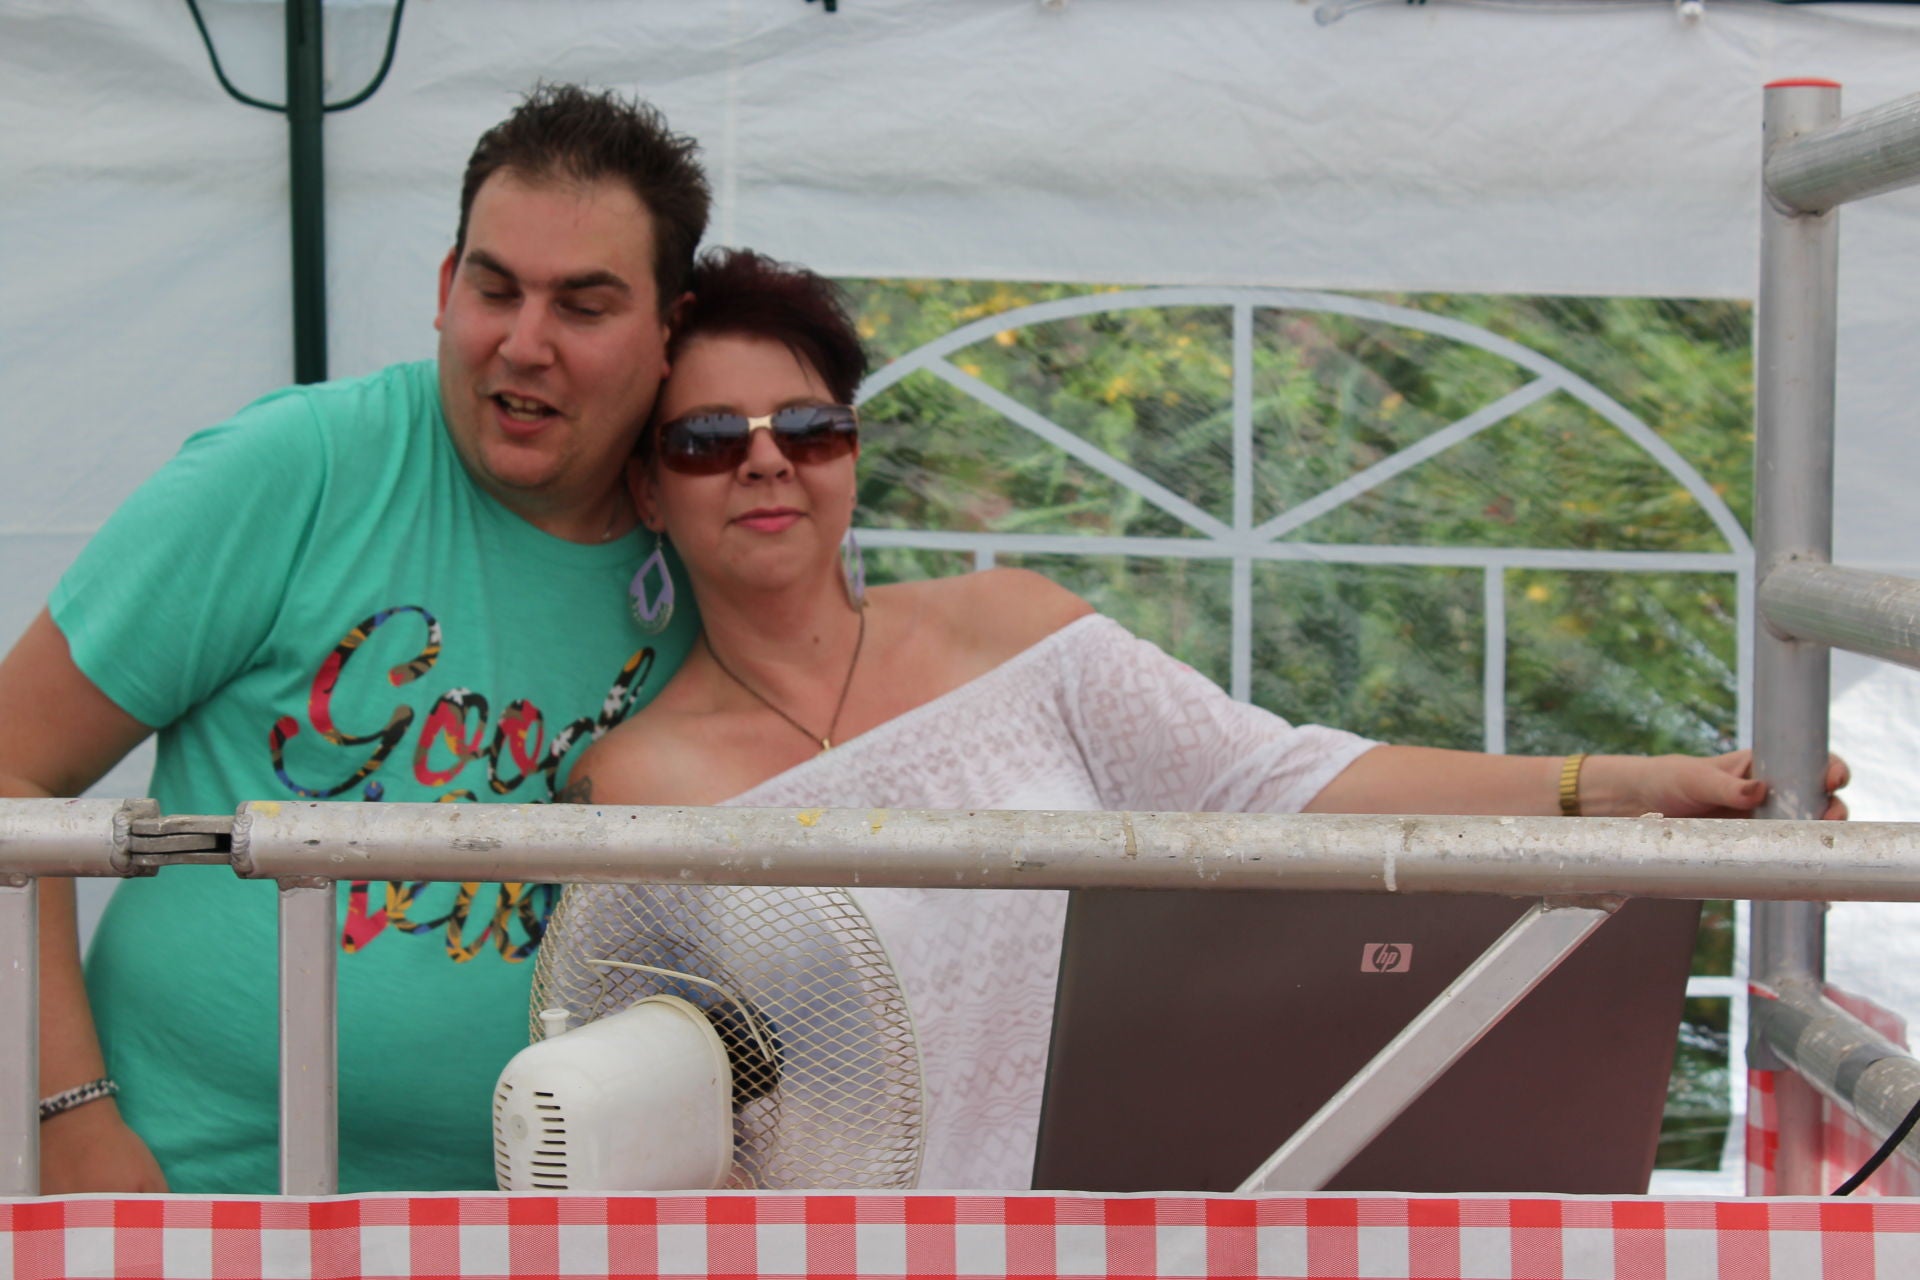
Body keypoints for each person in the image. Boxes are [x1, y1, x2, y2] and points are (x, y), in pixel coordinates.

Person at [560, 247, 1850, 1190]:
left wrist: (1622, 789)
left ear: (852, 450)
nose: (768, 459)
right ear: (647, 489)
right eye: (708, 438)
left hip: (1143, 1227)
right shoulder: (633, 782)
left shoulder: (1012, 626)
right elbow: (668, 1124)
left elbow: (1282, 785)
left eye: (809, 425)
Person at [0, 85, 710, 1193]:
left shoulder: (712, 545)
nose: (524, 343)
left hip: (558, 1229)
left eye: (583, 305)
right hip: (194, 1210)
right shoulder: (298, 468)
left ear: (670, 332)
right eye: (494, 289)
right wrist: (69, 1125)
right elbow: (11, 767)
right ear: (444, 286)